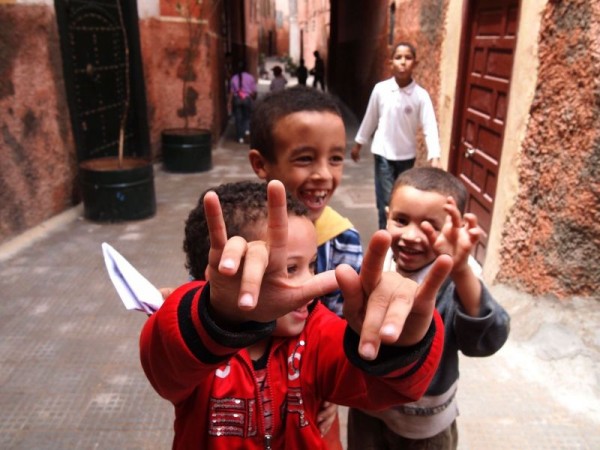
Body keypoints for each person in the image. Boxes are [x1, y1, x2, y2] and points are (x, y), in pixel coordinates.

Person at [140, 179, 453, 450]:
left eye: (312, 265)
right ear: (224, 276)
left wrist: (401, 344)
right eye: (290, 269)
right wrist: (220, 316)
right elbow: (164, 359)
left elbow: (382, 388)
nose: (310, 284)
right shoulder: (195, 348)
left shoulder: (315, 332)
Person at [347, 167, 511, 450]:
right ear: (386, 214)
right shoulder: (376, 265)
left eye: (430, 227)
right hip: (368, 411)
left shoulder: (453, 283)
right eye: (400, 220)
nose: (411, 236)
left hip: (425, 428)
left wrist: (459, 270)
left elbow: (486, 340)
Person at [248, 86, 363, 448]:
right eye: (304, 159)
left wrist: (334, 387)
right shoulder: (238, 235)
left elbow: (343, 327)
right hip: (243, 393)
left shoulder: (344, 241)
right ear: (260, 164)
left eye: (335, 158)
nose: (323, 175)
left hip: (313, 398)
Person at [351, 42, 442, 230]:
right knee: (385, 202)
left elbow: (429, 126)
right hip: (383, 154)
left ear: (415, 63)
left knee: (402, 201)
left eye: (408, 58)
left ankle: (396, 242)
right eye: (398, 57)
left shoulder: (420, 96)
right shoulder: (381, 90)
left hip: (406, 157)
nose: (403, 62)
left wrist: (435, 155)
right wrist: (359, 143)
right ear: (391, 62)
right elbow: (371, 118)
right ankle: (384, 243)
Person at [229, 61, 257, 144]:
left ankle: (240, 137)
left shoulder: (234, 78)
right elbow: (253, 91)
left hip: (237, 99)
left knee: (238, 118)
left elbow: (231, 92)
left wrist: (229, 102)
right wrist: (253, 98)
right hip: (247, 99)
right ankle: (247, 130)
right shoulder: (250, 77)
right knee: (247, 116)